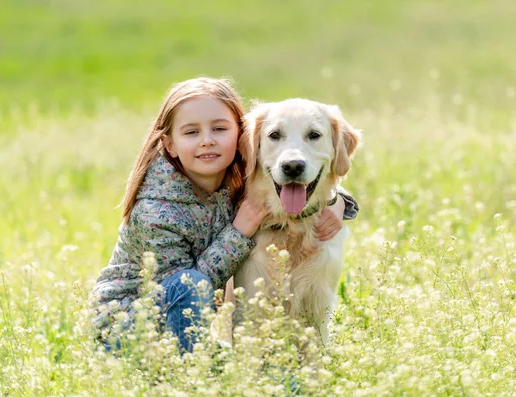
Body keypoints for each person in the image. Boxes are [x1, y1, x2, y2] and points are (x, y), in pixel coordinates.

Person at [91, 77, 358, 352]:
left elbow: (321, 178)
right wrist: (239, 233)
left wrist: (337, 201)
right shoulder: (156, 214)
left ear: (238, 138)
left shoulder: (235, 177)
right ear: (170, 145)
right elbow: (186, 291)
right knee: (195, 288)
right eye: (191, 132)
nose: (207, 141)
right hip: (128, 329)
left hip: (182, 325)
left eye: (219, 129)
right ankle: (189, 377)